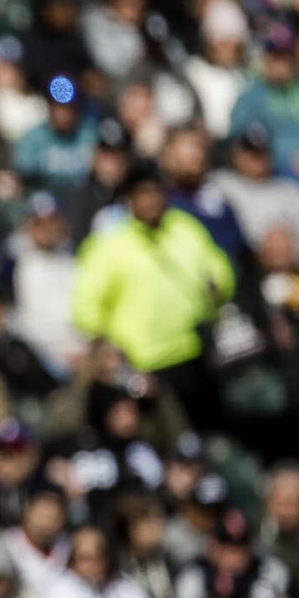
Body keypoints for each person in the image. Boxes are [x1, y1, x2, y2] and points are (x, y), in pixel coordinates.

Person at [71, 165, 236, 428]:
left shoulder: (184, 227)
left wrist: (218, 285)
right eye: (143, 193)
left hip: (194, 351)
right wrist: (109, 350)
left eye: (157, 192)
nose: (152, 200)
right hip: (144, 365)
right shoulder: (109, 244)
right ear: (129, 199)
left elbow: (217, 266)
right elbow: (86, 307)